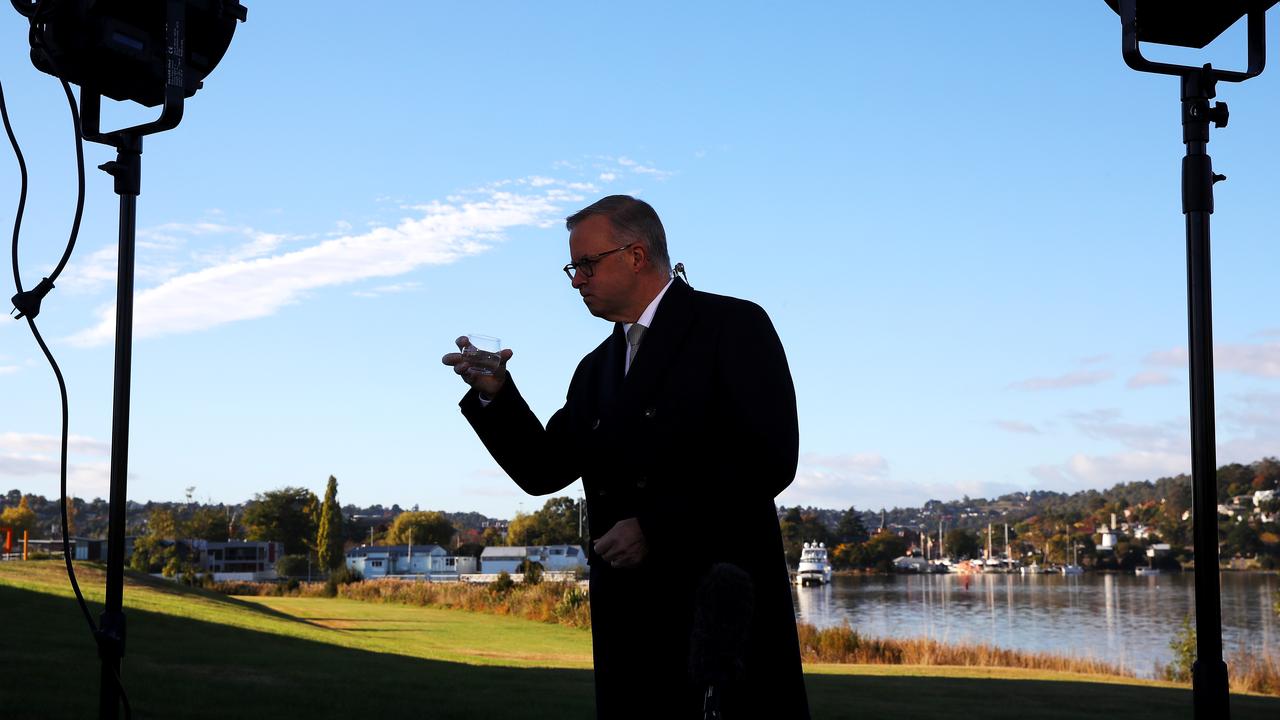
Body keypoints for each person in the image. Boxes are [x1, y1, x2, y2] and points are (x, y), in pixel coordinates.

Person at [442, 195, 810, 719]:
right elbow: (543, 469)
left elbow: (769, 458)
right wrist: (494, 395)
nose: (576, 280)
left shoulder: (732, 326)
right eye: (574, 267)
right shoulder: (596, 368)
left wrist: (658, 528)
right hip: (630, 631)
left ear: (637, 255)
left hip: (718, 625)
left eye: (587, 264)